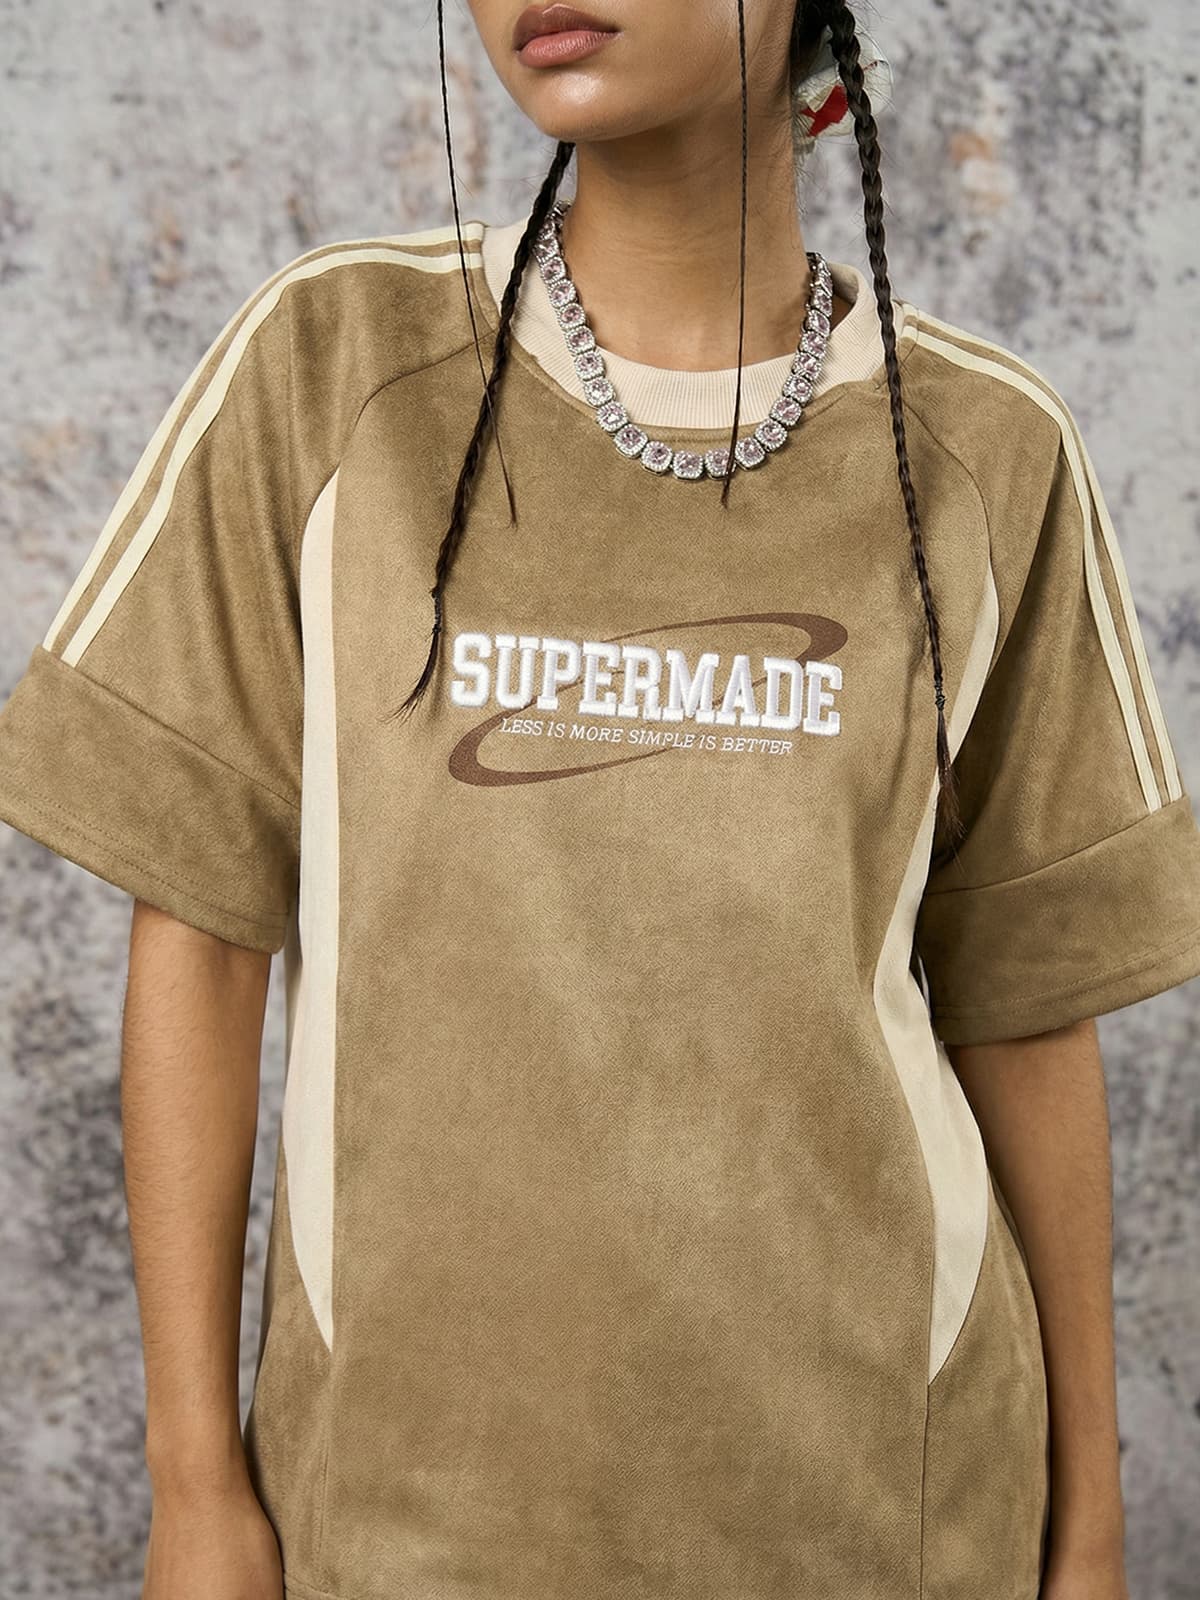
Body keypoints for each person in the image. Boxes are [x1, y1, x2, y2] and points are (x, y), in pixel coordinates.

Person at [0, 1, 1197, 1596]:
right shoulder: (330, 366)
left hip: (883, 1518)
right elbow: (203, 945)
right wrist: (194, 1489)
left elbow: (1027, 1015)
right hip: (402, 1521)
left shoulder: (988, 449)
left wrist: (1089, 1526)